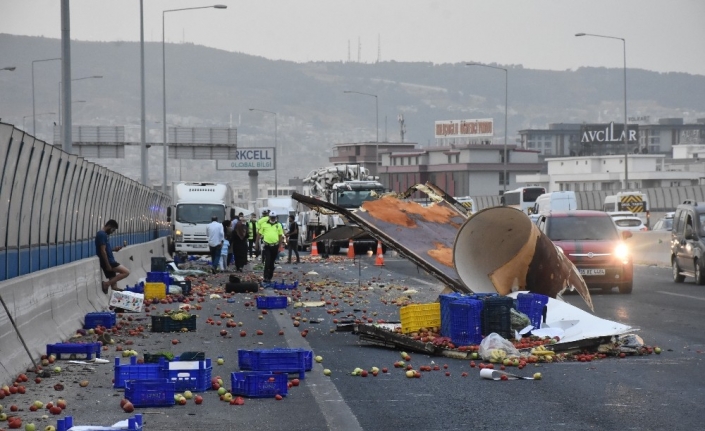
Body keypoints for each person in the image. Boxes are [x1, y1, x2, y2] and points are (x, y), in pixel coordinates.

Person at [95, 220, 130, 294]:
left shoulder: (104, 235)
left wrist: (114, 249)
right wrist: (108, 265)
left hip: (109, 260)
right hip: (109, 261)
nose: (112, 232)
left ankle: (117, 298)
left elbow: (106, 249)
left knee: (114, 287)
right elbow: (103, 251)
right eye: (113, 230)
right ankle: (106, 284)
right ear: (109, 226)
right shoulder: (102, 234)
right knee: (126, 272)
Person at [259, 210, 284, 282]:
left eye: (274, 217)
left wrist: (280, 246)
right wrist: (256, 243)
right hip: (267, 246)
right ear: (269, 217)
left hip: (275, 246)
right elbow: (259, 234)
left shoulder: (278, 225)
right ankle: (265, 277)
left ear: (275, 217)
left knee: (272, 263)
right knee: (267, 261)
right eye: (271, 217)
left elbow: (280, 236)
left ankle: (270, 277)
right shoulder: (264, 224)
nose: (273, 219)